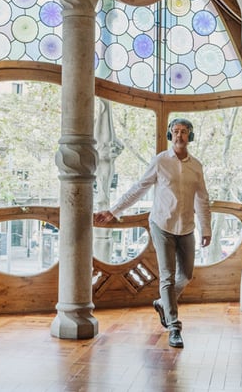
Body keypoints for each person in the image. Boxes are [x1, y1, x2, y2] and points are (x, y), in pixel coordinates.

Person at [94, 117, 211, 349]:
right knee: (167, 276)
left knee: (186, 275)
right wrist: (114, 211)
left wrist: (206, 228)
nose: (179, 135)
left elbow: (202, 199)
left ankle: (162, 303)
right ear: (170, 134)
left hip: (186, 228)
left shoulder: (196, 166)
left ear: (190, 136)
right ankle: (174, 327)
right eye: (175, 131)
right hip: (162, 225)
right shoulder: (160, 161)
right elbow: (139, 188)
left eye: (184, 131)